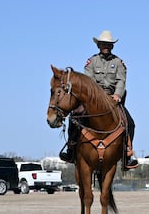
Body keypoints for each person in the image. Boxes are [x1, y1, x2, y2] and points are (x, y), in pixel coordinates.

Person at [59, 30, 139, 170]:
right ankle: (71, 149)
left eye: (108, 44)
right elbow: (88, 81)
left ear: (112, 46)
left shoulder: (118, 62)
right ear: (98, 45)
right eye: (103, 44)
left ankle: (127, 154)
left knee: (130, 123)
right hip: (94, 98)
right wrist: (95, 96)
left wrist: (118, 95)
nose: (106, 46)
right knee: (74, 117)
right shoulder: (92, 61)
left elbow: (121, 80)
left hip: (112, 98)